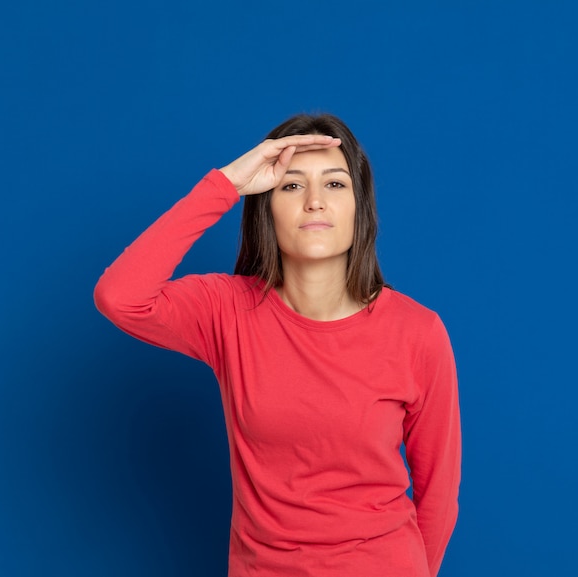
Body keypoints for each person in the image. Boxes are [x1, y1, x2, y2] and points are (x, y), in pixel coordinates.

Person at [94, 113, 461, 577]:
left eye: (334, 184)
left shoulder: (417, 331)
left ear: (358, 207)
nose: (314, 203)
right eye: (290, 186)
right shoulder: (226, 311)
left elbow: (439, 493)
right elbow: (120, 297)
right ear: (265, 204)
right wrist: (226, 184)